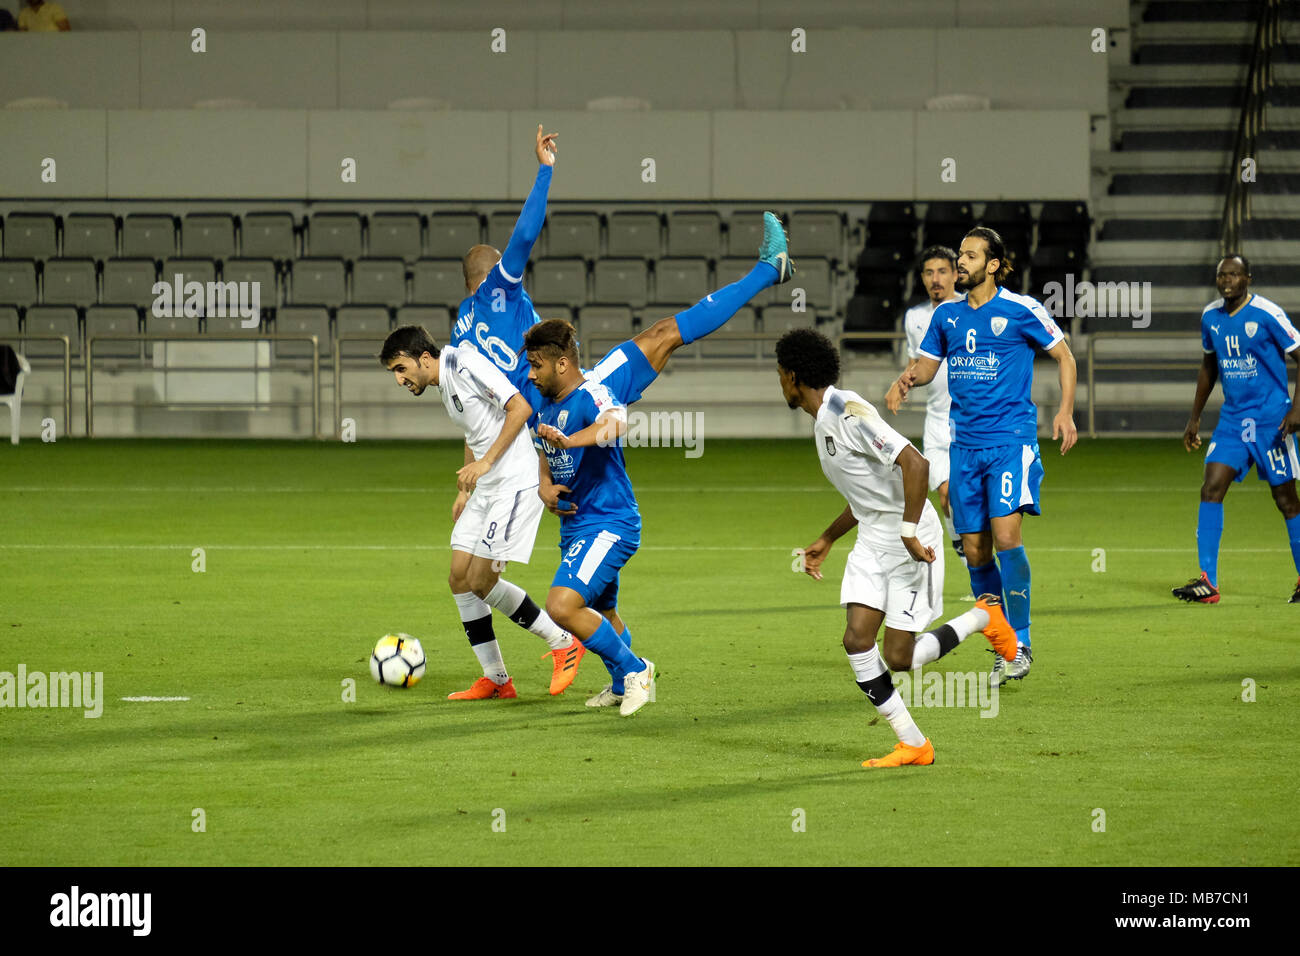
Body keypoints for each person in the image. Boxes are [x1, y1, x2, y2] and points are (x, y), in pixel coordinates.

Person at [777, 327, 1018, 767]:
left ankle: (984, 615)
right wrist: (828, 537)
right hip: (873, 536)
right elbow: (868, 496)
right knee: (856, 640)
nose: (779, 381)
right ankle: (913, 743)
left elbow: (915, 463)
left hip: (912, 537)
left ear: (793, 376)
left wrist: (909, 530)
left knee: (898, 658)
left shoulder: (847, 412)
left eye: (780, 373)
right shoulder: (822, 424)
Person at [885, 226, 1077, 687]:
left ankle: (1024, 640)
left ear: (992, 265)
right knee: (974, 550)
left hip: (1011, 443)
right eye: (960, 256)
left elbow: (1065, 357)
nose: (961, 263)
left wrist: (1066, 413)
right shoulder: (947, 317)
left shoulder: (1022, 309)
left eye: (970, 256)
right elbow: (929, 368)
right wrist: (907, 379)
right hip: (964, 447)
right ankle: (1002, 643)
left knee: (1007, 536)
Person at [379, 325, 587, 700]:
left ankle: (564, 642)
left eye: (400, 368)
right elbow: (473, 432)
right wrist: (466, 488)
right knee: (459, 577)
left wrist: (487, 463)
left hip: (514, 484)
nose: (399, 379)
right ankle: (497, 680)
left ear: (424, 358)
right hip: (488, 488)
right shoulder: (444, 384)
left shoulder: (465, 363)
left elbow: (520, 407)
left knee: (481, 581)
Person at [524, 318, 656, 716]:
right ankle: (620, 685)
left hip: (610, 522)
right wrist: (544, 486)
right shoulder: (543, 405)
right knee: (605, 612)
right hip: (577, 525)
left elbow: (615, 424)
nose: (530, 375)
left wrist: (571, 439)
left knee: (562, 607)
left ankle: (637, 671)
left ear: (561, 363)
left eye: (536, 365)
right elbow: (543, 453)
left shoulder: (593, 394)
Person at [1174, 254, 1300, 604]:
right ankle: (1207, 582)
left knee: (1286, 500)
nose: (1227, 280)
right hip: (1232, 421)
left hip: (1271, 422)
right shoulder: (1210, 317)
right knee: (1211, 487)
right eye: (1222, 274)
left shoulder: (1267, 314)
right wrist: (1195, 417)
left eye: (1234, 274)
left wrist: (1296, 409)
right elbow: (1208, 367)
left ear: (1248, 278)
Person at [900, 244, 971, 596]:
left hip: (969, 420)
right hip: (935, 420)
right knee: (946, 496)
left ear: (955, 274)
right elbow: (917, 362)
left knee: (961, 497)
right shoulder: (914, 318)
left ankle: (977, 557)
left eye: (942, 271)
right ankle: (969, 559)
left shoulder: (968, 310)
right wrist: (900, 384)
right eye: (929, 273)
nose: (935, 279)